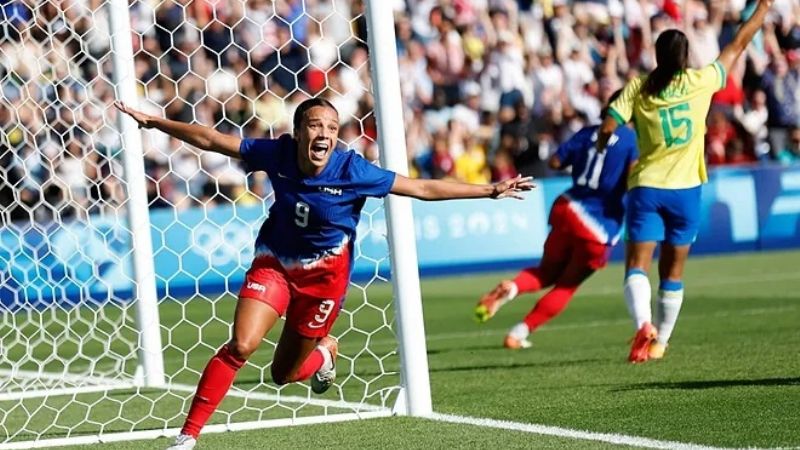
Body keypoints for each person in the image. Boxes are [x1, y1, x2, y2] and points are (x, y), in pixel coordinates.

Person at [114, 98, 534, 450]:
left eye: (332, 128)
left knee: (283, 375)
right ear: (299, 132)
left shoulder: (353, 171)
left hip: (323, 283)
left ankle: (324, 353)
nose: (324, 134)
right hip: (275, 263)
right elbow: (211, 139)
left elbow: (422, 188)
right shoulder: (277, 153)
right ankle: (187, 438)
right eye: (315, 125)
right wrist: (156, 122)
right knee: (242, 344)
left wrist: (490, 190)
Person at [594, 0, 774, 363]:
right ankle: (661, 344)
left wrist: (603, 142)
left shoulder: (640, 87)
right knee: (672, 273)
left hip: (646, 187)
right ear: (685, 56)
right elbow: (738, 43)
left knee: (636, 267)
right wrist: (763, 7)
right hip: (687, 190)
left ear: (656, 55)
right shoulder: (701, 80)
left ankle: (644, 325)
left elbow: (608, 126)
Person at [474, 90, 638, 349]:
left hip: (567, 207)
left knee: (546, 272)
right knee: (567, 285)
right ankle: (518, 333)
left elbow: (555, 160)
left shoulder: (586, 133)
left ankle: (513, 287)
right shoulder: (633, 140)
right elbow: (634, 178)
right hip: (599, 224)